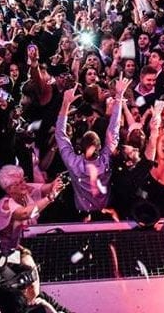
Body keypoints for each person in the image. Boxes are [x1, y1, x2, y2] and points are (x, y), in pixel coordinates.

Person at [55, 76, 130, 216]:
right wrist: (119, 95)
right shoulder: (105, 160)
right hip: (106, 212)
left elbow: (60, 134)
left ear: (80, 148)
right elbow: (114, 129)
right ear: (100, 146)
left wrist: (65, 104)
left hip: (83, 214)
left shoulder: (73, 163)